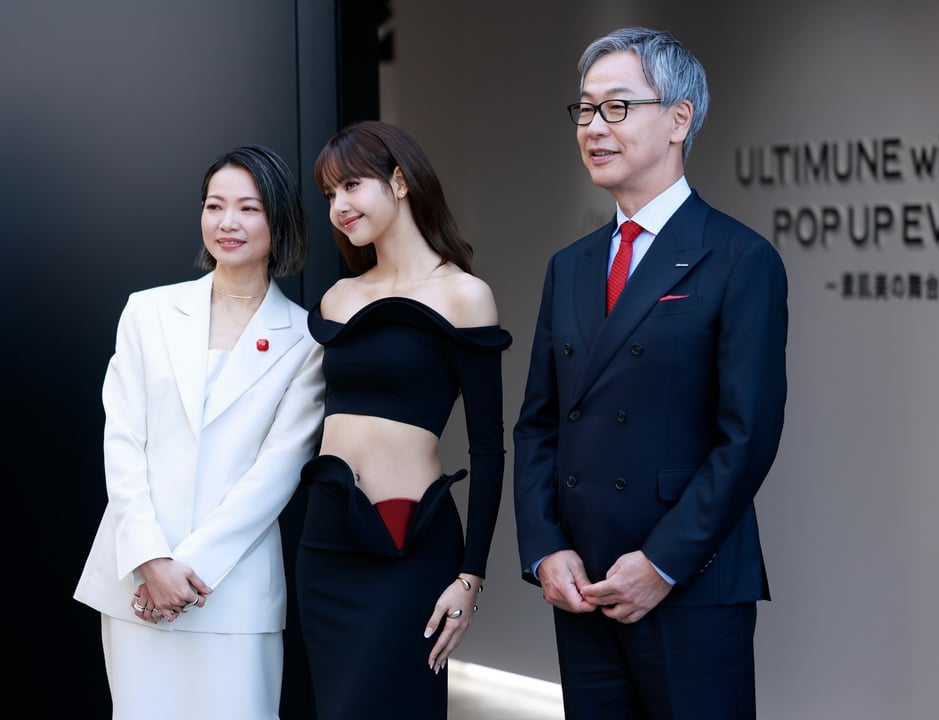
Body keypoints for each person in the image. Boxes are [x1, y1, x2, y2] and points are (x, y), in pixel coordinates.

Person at [513, 27, 788, 720]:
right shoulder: (570, 265)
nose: (593, 127)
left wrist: (661, 563)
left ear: (678, 119)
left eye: (617, 107)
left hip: (690, 583)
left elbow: (746, 437)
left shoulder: (738, 257)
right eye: (584, 109)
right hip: (585, 583)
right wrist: (546, 548)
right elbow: (539, 424)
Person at [74, 145, 326, 719]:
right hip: (137, 582)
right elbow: (122, 442)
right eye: (215, 206)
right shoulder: (147, 312)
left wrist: (188, 570)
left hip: (232, 589)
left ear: (280, 220)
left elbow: (278, 471)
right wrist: (151, 560)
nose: (227, 222)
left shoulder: (305, 339)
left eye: (248, 208)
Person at [295, 120, 512, 719]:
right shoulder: (338, 298)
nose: (339, 207)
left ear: (398, 181)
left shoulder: (464, 295)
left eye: (351, 186)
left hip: (408, 543)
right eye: (329, 194)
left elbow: (488, 448)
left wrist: (471, 577)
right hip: (326, 545)